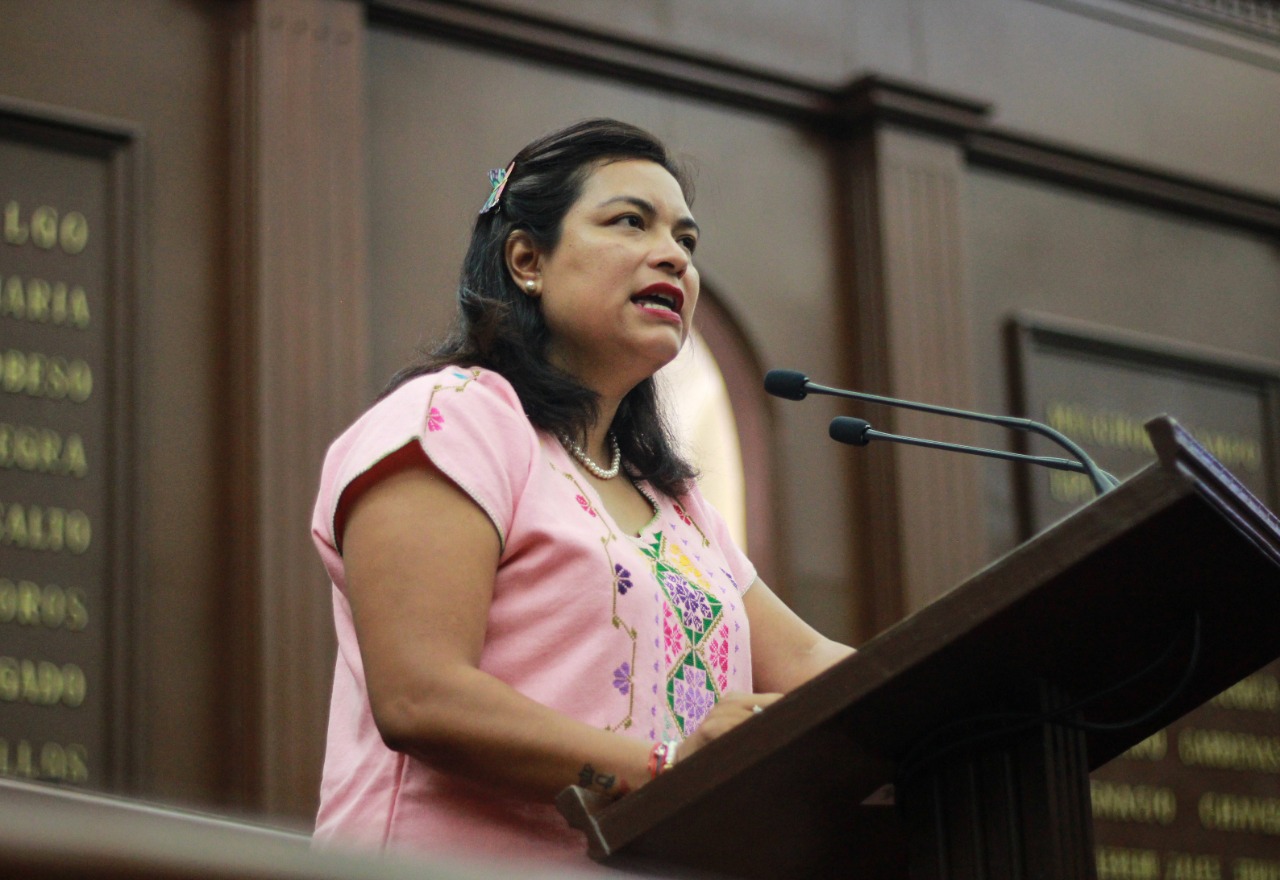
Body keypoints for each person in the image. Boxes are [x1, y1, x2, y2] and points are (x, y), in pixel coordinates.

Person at [310, 118, 854, 864]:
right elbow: (420, 698)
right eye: (630, 222)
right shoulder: (453, 419)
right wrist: (667, 769)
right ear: (527, 259)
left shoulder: (676, 505)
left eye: (687, 242)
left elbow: (817, 666)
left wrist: (958, 694)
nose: (674, 256)